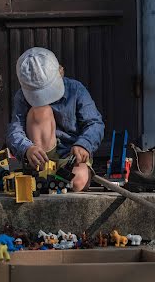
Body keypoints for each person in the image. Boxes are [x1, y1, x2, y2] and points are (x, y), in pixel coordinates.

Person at [6, 47, 104, 192]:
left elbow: (95, 123)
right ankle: (41, 173)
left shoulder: (76, 89)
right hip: (42, 158)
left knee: (77, 181)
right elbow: (15, 130)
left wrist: (84, 145)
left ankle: (63, 176)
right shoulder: (21, 96)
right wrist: (27, 148)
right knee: (40, 111)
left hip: (71, 157)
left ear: (61, 71)